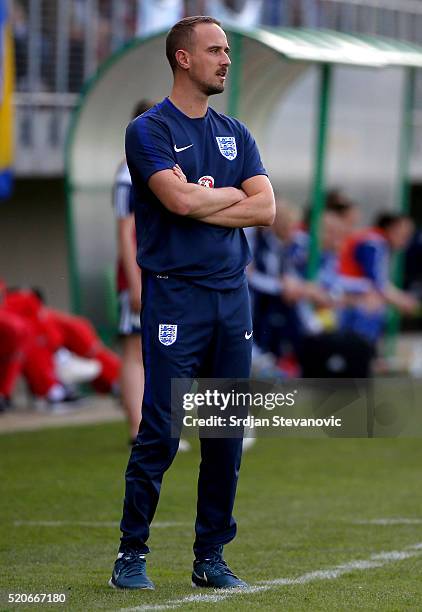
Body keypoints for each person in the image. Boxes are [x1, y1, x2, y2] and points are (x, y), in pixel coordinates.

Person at [109, 15, 275, 591]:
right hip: (175, 297)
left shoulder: (236, 131)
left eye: (227, 50)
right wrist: (214, 197)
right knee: (160, 427)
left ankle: (211, 557)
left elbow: (267, 209)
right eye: (215, 50)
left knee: (226, 432)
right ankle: (131, 553)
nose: (226, 59)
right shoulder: (148, 129)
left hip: (233, 297)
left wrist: (205, 195)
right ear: (183, 59)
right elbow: (175, 202)